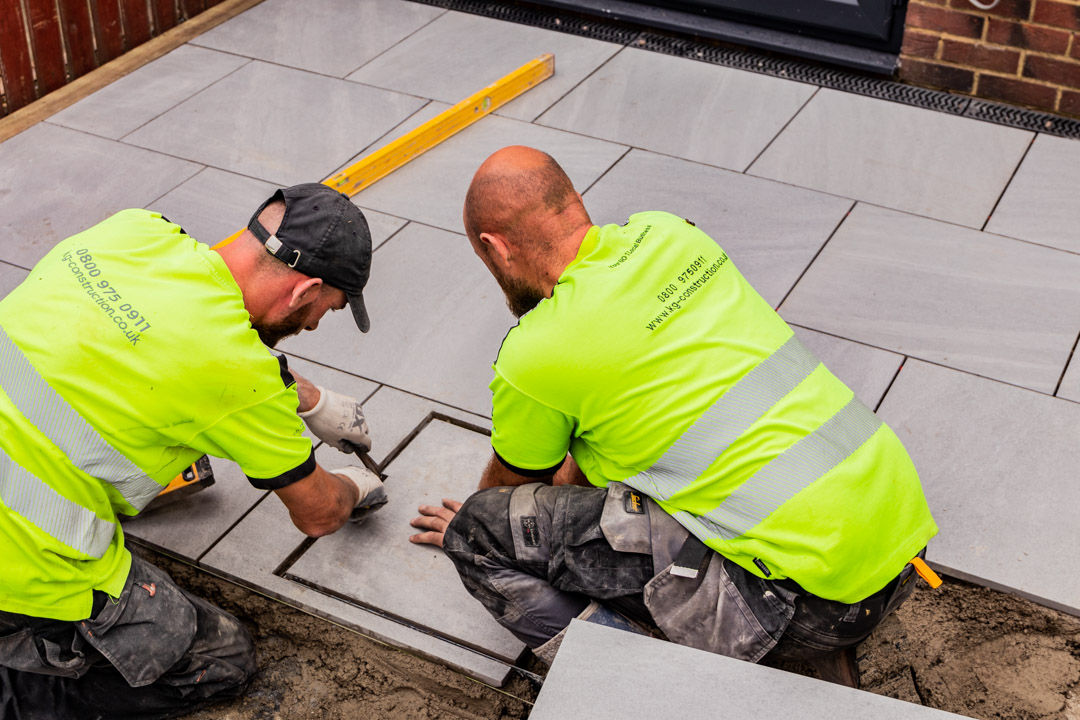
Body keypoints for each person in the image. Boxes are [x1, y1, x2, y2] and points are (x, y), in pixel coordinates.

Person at [410, 147, 939, 687]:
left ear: (494, 249)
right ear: (574, 203)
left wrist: (480, 522)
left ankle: (650, 684)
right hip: (901, 550)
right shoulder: (672, 235)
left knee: (478, 533)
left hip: (809, 608)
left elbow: (511, 494)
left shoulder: (536, 353)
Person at [0, 183, 385, 719]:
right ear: (304, 291)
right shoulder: (241, 378)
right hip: (21, 571)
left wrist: (309, 398)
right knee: (221, 660)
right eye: (327, 309)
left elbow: (171, 338)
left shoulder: (133, 231)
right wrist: (353, 486)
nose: (315, 325)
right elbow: (319, 514)